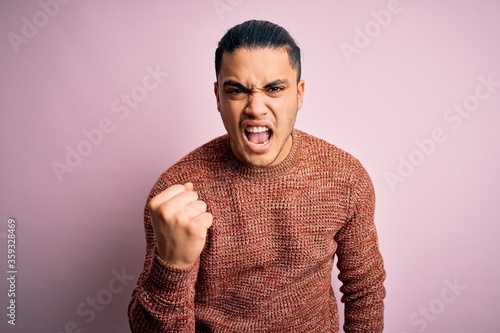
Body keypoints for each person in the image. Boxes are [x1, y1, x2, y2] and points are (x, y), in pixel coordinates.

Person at [128, 19, 386, 332]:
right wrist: (173, 265)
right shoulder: (177, 196)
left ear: (299, 94)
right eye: (237, 90)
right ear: (218, 97)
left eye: (274, 88)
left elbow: (365, 292)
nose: (256, 108)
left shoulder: (346, 178)